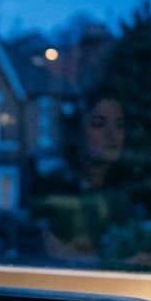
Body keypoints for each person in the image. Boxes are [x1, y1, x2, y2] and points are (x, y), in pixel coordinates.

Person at [29, 90, 129, 263]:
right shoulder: (54, 188)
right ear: (79, 132)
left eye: (119, 125)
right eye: (99, 124)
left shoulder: (132, 190)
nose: (112, 134)